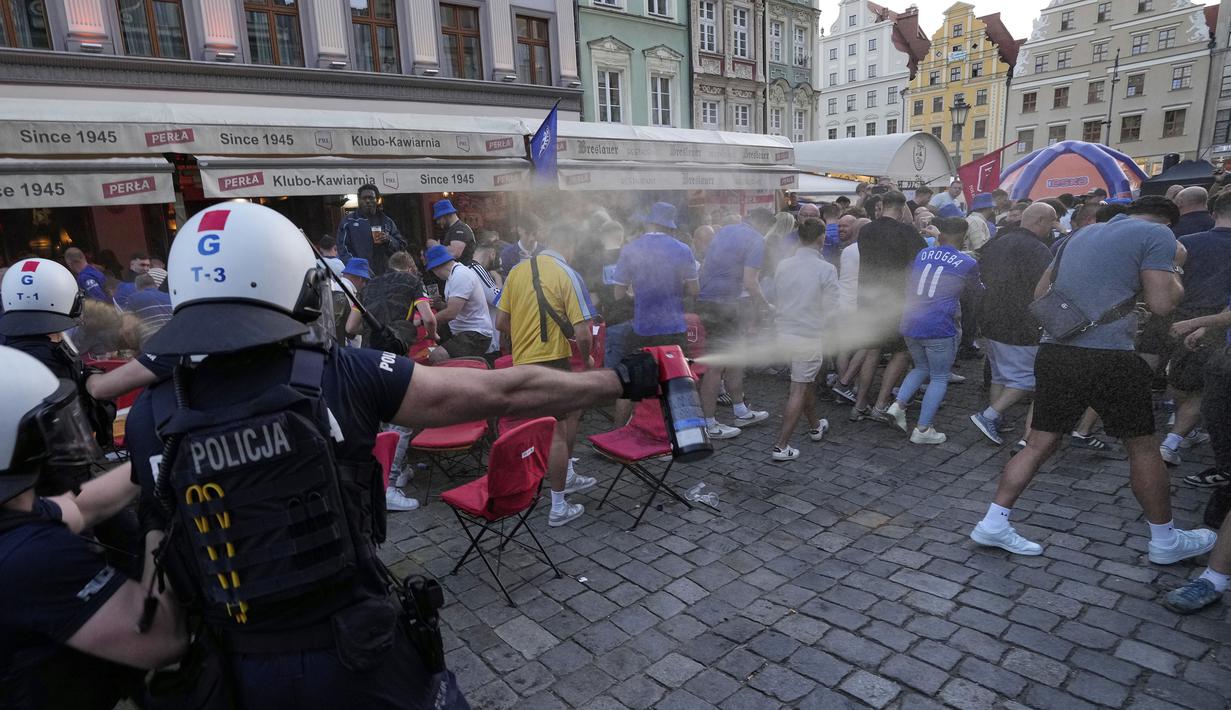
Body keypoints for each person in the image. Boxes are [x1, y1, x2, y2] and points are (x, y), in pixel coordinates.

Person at [128, 202, 659, 707]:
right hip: (355, 655)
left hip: (234, 671)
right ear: (305, 290)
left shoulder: (151, 419)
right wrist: (619, 379)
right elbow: (504, 394)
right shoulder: (337, 376)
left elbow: (161, 581)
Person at [967, 197, 1217, 565]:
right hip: (1111, 355)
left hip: (1057, 350)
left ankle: (994, 521)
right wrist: (1176, 267)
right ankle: (1164, 540)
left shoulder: (1079, 234)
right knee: (1143, 448)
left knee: (1037, 443)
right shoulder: (1157, 235)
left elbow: (1041, 294)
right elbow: (1164, 303)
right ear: (1167, 222)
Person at [0, 346, 187, 708]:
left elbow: (81, 506)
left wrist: (153, 466)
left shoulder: (13, 518)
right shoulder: (33, 558)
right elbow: (162, 636)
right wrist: (157, 520)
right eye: (49, 425)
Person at [497, 223, 600, 527]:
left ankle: (567, 475)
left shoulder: (516, 271)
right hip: (554, 360)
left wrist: (524, 338)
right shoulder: (567, 273)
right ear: (568, 246)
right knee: (556, 430)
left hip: (523, 363)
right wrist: (587, 358)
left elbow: (501, 321)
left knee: (564, 420)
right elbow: (583, 330)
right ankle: (557, 505)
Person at [883, 217, 982, 444]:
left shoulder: (922, 253)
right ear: (964, 237)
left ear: (940, 235)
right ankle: (923, 429)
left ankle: (898, 405)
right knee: (938, 377)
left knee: (920, 367)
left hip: (910, 321)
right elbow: (977, 291)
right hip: (938, 324)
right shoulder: (967, 262)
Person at [969, 203, 1058, 447]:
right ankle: (989, 416)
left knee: (999, 374)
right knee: (1027, 379)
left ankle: (995, 417)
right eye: (1052, 222)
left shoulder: (999, 241)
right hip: (1019, 321)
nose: (1053, 228)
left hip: (990, 315)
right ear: (1040, 221)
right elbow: (1046, 288)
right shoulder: (1038, 249)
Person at [1159, 190, 1231, 466]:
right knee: (1201, 389)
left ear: (1213, 213)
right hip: (1217, 323)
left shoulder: (1186, 243)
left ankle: (1179, 433)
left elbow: (1168, 281)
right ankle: (1174, 440)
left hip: (1183, 318)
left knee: (1184, 382)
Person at [696, 208, 776, 439]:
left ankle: (740, 410)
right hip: (723, 305)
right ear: (763, 225)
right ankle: (709, 424)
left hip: (710, 301)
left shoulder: (725, 230)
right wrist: (765, 304)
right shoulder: (756, 239)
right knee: (716, 364)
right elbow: (750, 282)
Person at [849, 192, 928, 422]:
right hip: (895, 300)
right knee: (900, 352)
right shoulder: (906, 232)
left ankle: (860, 404)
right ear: (903, 208)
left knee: (872, 349)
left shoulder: (866, 230)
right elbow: (921, 260)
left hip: (867, 298)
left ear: (882, 206)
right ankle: (881, 403)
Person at [770, 218, 838, 461]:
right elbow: (832, 308)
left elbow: (779, 296)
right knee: (798, 388)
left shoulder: (783, 265)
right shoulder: (826, 269)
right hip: (808, 336)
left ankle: (815, 425)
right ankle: (781, 446)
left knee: (804, 380)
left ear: (799, 238)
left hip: (783, 334)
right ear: (821, 239)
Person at [612, 202, 699, 353]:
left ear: (649, 223)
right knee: (675, 371)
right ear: (671, 226)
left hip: (643, 326)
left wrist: (635, 297)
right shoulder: (683, 249)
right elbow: (694, 289)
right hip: (674, 325)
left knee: (647, 372)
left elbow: (618, 294)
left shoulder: (630, 249)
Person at [425, 245, 494, 361]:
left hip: (476, 335)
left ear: (436, 267)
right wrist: (440, 305)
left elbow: (451, 313)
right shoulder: (453, 276)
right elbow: (455, 308)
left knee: (436, 356)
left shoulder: (460, 275)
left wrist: (427, 321)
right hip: (467, 333)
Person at [336, 183, 406, 276]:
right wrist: (359, 268)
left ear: (377, 200)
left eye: (371, 198)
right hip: (361, 275)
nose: (368, 201)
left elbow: (401, 246)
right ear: (359, 200)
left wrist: (389, 240)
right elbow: (343, 250)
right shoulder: (349, 221)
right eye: (364, 198)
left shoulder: (386, 221)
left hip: (386, 274)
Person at [123, 272, 173, 341]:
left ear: (136, 287)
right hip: (174, 340)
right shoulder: (169, 297)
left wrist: (133, 347)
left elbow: (127, 329)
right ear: (155, 285)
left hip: (152, 343)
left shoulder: (133, 299)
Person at [433, 199, 476, 265]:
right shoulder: (453, 229)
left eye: (439, 218)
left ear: (447, 215)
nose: (438, 222)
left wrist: (438, 247)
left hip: (464, 271)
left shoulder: (459, 228)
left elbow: (455, 253)